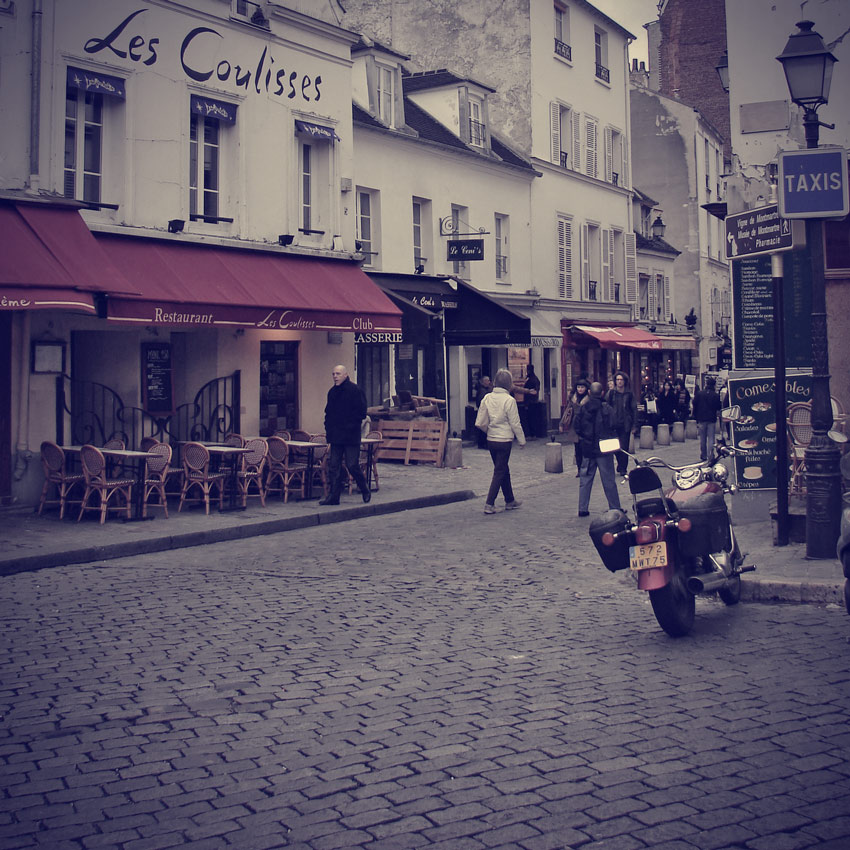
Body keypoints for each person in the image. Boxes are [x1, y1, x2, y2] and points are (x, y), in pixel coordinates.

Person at [475, 368, 526, 515]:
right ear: (509, 383)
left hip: (491, 439)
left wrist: (489, 431)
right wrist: (521, 440)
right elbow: (515, 423)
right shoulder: (509, 400)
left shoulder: (487, 398)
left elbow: (480, 421)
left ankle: (510, 500)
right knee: (499, 471)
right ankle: (489, 503)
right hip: (504, 440)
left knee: (503, 469)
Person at [319, 364, 371, 505]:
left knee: (352, 464)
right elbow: (328, 412)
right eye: (333, 374)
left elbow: (361, 412)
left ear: (345, 375)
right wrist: (328, 428)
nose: (335, 376)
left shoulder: (355, 390)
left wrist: (350, 425)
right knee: (334, 466)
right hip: (336, 435)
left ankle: (364, 488)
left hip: (350, 435)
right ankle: (333, 496)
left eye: (337, 374)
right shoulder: (332, 392)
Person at [574, 382, 622, 516]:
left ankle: (582, 508)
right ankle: (615, 507)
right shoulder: (607, 408)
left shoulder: (584, 408)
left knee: (585, 479)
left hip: (588, 448)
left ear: (589, 392)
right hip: (603, 448)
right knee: (608, 479)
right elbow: (615, 424)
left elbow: (577, 426)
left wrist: (585, 437)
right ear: (602, 393)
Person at [605, 370, 638, 477]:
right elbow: (606, 407)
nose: (619, 382)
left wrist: (634, 424)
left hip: (625, 424)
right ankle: (620, 464)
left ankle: (623, 468)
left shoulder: (629, 394)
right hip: (613, 424)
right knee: (615, 447)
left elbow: (633, 409)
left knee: (624, 447)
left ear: (624, 381)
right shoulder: (611, 393)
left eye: (621, 380)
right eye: (617, 380)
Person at [560, 378, 590, 476]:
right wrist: (561, 423)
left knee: (584, 448)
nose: (580, 389)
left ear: (586, 388)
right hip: (574, 425)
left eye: (582, 387)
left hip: (586, 425)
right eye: (578, 387)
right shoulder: (573, 398)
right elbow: (567, 411)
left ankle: (585, 468)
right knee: (577, 449)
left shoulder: (589, 399)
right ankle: (579, 469)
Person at [693, 375, 722, 461]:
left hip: (701, 418)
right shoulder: (715, 395)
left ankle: (703, 454)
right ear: (714, 385)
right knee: (711, 438)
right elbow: (718, 407)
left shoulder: (700, 394)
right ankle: (710, 455)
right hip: (711, 419)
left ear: (706, 384)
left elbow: (695, 404)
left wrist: (696, 415)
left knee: (702, 438)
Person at [475, 375, 493, 449]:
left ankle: (483, 443)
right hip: (484, 411)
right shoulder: (482, 391)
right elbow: (480, 401)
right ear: (484, 381)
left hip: (484, 411)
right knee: (483, 427)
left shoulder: (485, 389)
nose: (489, 382)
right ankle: (483, 443)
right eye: (488, 380)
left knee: (483, 427)